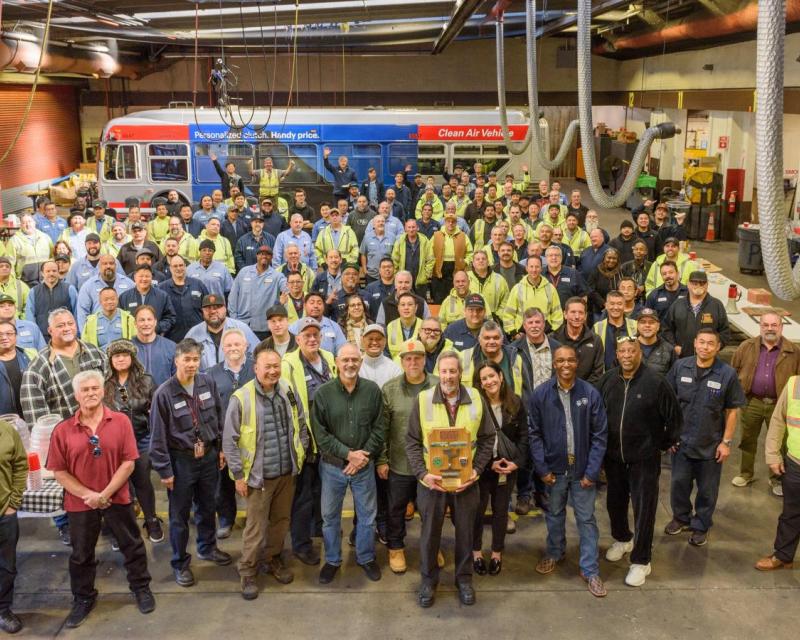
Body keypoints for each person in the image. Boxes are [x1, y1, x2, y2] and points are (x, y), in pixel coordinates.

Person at [46, 370, 154, 628]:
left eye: (95, 388)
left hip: (116, 498)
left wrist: (105, 494)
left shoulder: (120, 422)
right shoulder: (62, 430)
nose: (91, 393)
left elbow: (129, 463)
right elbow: (58, 471)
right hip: (80, 504)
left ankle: (141, 588)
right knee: (81, 554)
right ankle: (83, 598)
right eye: (85, 390)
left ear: (103, 391)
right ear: (76, 396)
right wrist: (88, 495)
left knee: (132, 546)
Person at [406, 350, 494, 607]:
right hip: (432, 483)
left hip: (467, 482)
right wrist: (423, 474)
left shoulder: (476, 398)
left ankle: (464, 579)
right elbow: (411, 441)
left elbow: (488, 438)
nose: (448, 376)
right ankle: (428, 580)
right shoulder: (423, 400)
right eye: (444, 371)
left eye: (453, 371)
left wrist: (476, 470)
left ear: (460, 373)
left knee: (467, 531)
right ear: (438, 374)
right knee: (430, 533)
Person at [223, 344, 308, 599]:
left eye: (276, 366)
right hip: (258, 478)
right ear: (256, 368)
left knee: (281, 523)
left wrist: (300, 455)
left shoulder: (287, 390)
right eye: (267, 366)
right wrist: (239, 475)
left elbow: (301, 423)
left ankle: (271, 559)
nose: (273, 371)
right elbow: (230, 440)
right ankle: (247, 570)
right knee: (255, 527)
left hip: (286, 473)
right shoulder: (241, 398)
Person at [597, 338, 682, 587]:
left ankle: (641, 560)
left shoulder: (656, 382)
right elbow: (597, 414)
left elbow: (674, 418)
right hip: (613, 457)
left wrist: (661, 444)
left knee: (644, 509)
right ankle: (623, 539)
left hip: (644, 459)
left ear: (639, 354)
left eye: (631, 351)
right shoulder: (608, 380)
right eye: (621, 350)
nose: (626, 355)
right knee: (615, 502)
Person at [149, 338, 232, 587]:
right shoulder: (164, 393)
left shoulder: (207, 383)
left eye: (195, 359)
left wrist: (219, 450)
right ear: (176, 361)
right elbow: (158, 435)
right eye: (187, 359)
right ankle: (180, 563)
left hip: (207, 456)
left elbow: (218, 416)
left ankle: (207, 547)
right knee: (179, 516)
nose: (192, 364)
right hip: (180, 461)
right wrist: (165, 470)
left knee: (208, 507)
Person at [20, 308, 106, 545]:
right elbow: (36, 417)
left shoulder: (95, 354)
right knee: (66, 485)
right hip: (64, 439)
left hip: (99, 432)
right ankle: (65, 524)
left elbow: (107, 392)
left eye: (70, 323)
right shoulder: (38, 368)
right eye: (60, 325)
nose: (67, 328)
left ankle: (104, 518)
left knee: (102, 479)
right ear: (49, 331)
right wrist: (52, 447)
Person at [528, 345, 609, 598]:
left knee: (586, 520)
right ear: (554, 364)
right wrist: (542, 469)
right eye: (560, 360)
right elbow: (534, 435)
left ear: (577, 363)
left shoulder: (590, 393)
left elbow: (599, 435)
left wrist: (592, 471)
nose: (565, 365)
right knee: (553, 514)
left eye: (570, 360)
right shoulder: (541, 395)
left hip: (583, 470)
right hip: (554, 470)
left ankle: (590, 569)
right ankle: (554, 552)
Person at [665, 329, 746, 546]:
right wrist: (670, 435)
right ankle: (681, 518)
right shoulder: (681, 366)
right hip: (681, 442)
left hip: (710, 445)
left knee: (707, 491)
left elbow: (731, 411)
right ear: (695, 343)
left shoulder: (726, 374)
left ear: (718, 347)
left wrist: (726, 443)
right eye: (701, 342)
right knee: (679, 484)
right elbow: (669, 403)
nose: (705, 347)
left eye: (711, 343)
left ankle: (701, 525)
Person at [311, 343, 385, 584]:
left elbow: (380, 427)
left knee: (367, 517)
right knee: (330, 517)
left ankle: (365, 557)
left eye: (355, 360)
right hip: (333, 467)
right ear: (336, 363)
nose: (350, 364)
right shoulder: (323, 393)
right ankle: (332, 559)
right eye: (346, 360)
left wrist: (362, 456)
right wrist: (347, 454)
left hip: (364, 466)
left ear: (360, 363)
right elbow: (319, 433)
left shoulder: (373, 391)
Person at [379, 339, 437, 574]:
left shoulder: (438, 385)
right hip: (400, 462)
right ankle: (395, 547)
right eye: (408, 359)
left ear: (424, 360)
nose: (413, 362)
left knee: (430, 510)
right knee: (396, 508)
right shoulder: (390, 389)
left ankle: (431, 547)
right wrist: (381, 459)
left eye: (418, 358)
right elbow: (382, 428)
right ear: (401, 362)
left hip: (432, 463)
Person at [282, 317, 336, 567]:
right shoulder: (289, 364)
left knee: (320, 491)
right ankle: (301, 544)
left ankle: (317, 530)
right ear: (297, 339)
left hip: (327, 437)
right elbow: (287, 403)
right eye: (307, 335)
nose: (312, 339)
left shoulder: (328, 359)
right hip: (303, 439)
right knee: (302, 495)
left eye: (316, 334)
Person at [730, 312, 800, 494]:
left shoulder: (793, 351)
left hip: (779, 405)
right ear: (760, 326)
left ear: (781, 327)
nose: (770, 328)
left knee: (780, 442)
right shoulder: (746, 347)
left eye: (774, 325)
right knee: (747, 439)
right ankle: (746, 473)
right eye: (766, 325)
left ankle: (776, 479)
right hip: (751, 401)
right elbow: (733, 371)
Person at [471, 361, 528, 577]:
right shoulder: (475, 404)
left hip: (506, 467)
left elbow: (524, 436)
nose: (489, 381)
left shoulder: (515, 402)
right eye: (484, 378)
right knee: (477, 511)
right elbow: (470, 439)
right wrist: (486, 463)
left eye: (492, 376)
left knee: (501, 512)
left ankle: (496, 553)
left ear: (501, 377)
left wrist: (516, 463)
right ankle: (476, 552)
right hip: (482, 467)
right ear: (480, 383)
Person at [103, 340, 163, 543]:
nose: (121, 359)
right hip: (114, 444)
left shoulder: (146, 381)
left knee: (143, 481)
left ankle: (151, 520)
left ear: (132, 358)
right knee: (120, 485)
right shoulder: (104, 384)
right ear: (111, 360)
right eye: (116, 355)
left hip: (141, 439)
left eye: (125, 355)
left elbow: (157, 411)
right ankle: (121, 527)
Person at [756, 373, 800, 570]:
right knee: (791, 513)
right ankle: (783, 555)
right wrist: (773, 454)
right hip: (795, 462)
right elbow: (778, 420)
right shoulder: (794, 384)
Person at [663, 270, 730, 358]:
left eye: (702, 283)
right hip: (682, 358)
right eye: (694, 283)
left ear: (707, 285)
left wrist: (714, 348)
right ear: (688, 284)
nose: (698, 286)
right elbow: (666, 328)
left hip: (708, 358)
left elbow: (725, 332)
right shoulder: (678, 305)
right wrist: (674, 346)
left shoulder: (716, 305)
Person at [0, 414, 26, 634]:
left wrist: (13, 502)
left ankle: (2, 610)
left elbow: (20, 465)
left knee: (6, 567)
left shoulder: (6, 431)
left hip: (3, 512)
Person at [185, 294, 260, 371]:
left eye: (217, 307)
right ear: (202, 311)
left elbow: (259, 355)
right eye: (208, 308)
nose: (213, 311)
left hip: (237, 379)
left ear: (225, 309)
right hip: (204, 381)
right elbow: (184, 362)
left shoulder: (242, 329)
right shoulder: (193, 334)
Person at [229, 246, 287, 340]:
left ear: (271, 257)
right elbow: (233, 297)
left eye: (267, 254)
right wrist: (234, 320)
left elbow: (288, 289)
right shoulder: (244, 272)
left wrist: (282, 301)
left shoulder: (277, 276)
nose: (264, 256)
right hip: (242, 325)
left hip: (264, 328)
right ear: (257, 256)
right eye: (261, 254)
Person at [502, 255, 563, 336]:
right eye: (531, 267)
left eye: (537, 267)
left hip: (545, 334)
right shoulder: (517, 288)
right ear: (526, 268)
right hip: (522, 334)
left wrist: (552, 332)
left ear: (541, 268)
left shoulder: (550, 288)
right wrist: (514, 333)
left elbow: (557, 314)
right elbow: (508, 314)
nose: (534, 270)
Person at [75, 254, 135, 329]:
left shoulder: (129, 284)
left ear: (116, 266)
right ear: (99, 266)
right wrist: (85, 334)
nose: (108, 266)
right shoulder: (88, 286)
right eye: (105, 264)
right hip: (98, 332)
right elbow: (82, 312)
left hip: (124, 331)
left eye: (111, 263)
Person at [160, 255, 210, 343]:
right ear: (170, 268)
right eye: (175, 266)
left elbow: (207, 308)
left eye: (181, 265)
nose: (178, 268)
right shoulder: (162, 288)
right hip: (172, 338)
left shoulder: (198, 284)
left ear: (185, 266)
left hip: (197, 336)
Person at [26, 260, 78, 340]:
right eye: (48, 271)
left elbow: (76, 312)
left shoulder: (69, 289)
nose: (51, 274)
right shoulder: (34, 291)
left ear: (58, 272)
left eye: (54, 271)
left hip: (65, 335)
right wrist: (34, 335)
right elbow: (30, 315)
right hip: (42, 337)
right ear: (42, 273)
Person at [118, 265, 176, 336]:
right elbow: (119, 318)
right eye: (141, 276)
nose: (144, 279)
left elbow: (170, 317)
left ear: (151, 278)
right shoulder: (124, 297)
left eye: (147, 276)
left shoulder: (162, 296)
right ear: (135, 277)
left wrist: (157, 327)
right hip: (132, 340)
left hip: (155, 338)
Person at [430, 211, 473, 305]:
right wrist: (431, 268)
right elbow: (430, 253)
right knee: (439, 298)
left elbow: (470, 253)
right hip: (439, 269)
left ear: (456, 223)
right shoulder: (436, 235)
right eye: (448, 221)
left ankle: (453, 315)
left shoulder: (463, 236)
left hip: (456, 269)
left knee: (453, 296)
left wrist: (464, 262)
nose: (450, 223)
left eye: (453, 221)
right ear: (444, 222)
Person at [132, 305, 176, 387]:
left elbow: (178, 377)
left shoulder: (171, 347)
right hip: (136, 398)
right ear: (135, 323)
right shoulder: (128, 348)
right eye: (142, 320)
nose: (146, 323)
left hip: (164, 398)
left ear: (155, 322)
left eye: (149, 319)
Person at [593, 291, 638, 371]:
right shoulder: (597, 327)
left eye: (619, 304)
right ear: (606, 305)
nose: (616, 307)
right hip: (604, 378)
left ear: (624, 306)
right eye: (612, 304)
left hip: (630, 377)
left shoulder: (635, 325)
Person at [636, 308, 676, 376]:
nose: (647, 325)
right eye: (643, 322)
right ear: (637, 325)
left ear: (658, 326)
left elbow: (674, 378)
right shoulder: (628, 346)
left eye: (651, 322)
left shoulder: (669, 349)